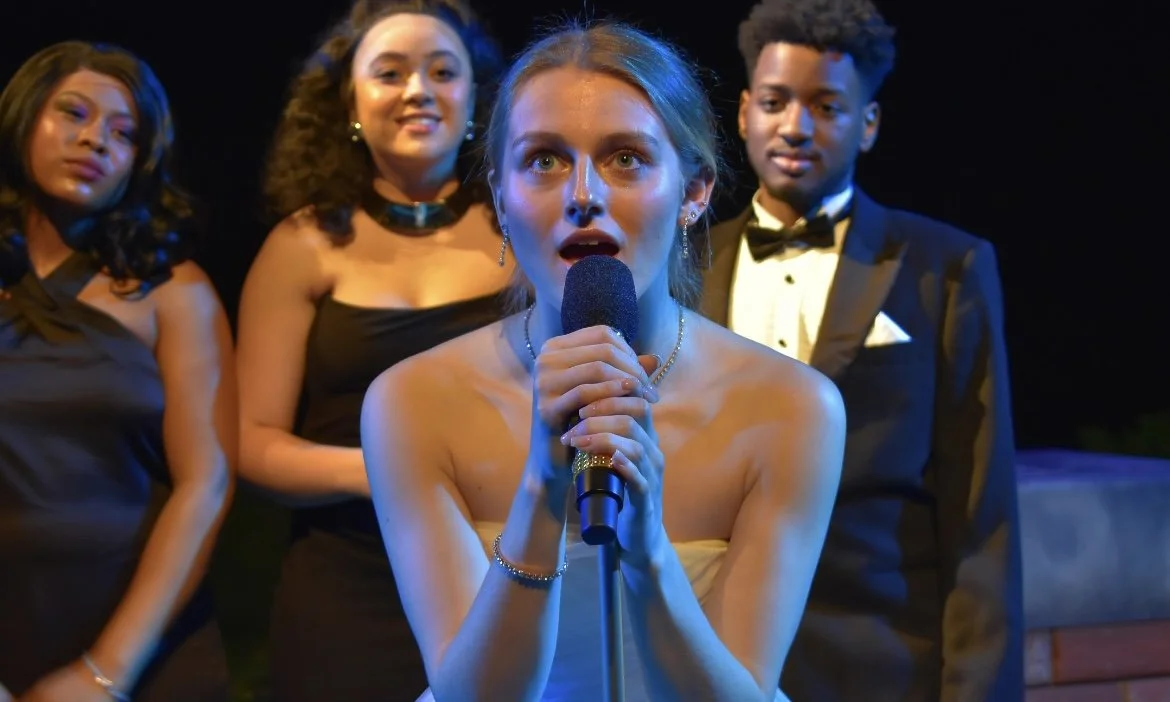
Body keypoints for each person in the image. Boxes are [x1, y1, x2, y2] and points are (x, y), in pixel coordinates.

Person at [361, 19, 846, 702]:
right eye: (545, 160)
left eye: (625, 158)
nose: (582, 192)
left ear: (695, 191)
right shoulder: (410, 402)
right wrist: (539, 490)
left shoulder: (794, 407)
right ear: (501, 199)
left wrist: (648, 551)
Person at [700, 1, 1025, 700]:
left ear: (868, 124)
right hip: (710, 663)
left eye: (825, 105)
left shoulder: (948, 266)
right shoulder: (680, 267)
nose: (795, 126)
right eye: (776, 101)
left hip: (884, 669)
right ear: (744, 113)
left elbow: (979, 514)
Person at [234, 0, 508, 698]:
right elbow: (251, 441)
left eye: (443, 72)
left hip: (501, 568)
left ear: (475, 98)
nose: (418, 90)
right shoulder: (301, 245)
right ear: (351, 103)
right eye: (390, 73)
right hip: (345, 583)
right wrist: (390, 472)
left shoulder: (521, 230)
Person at [0, 41, 234, 702]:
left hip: (147, 647)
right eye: (72, 113)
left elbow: (206, 485)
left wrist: (106, 673)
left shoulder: (172, 293)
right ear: (22, 120)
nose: (94, 139)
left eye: (123, 132)